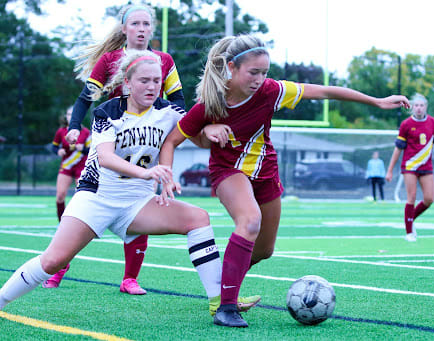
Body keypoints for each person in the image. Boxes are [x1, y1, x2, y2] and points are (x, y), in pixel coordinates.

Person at [159, 34, 410, 327]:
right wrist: (167, 173)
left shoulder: (271, 91)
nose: (260, 79)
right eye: (253, 72)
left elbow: (325, 91)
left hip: (266, 173)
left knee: (264, 250)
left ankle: (225, 285)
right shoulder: (210, 104)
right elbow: (172, 141)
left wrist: (376, 101)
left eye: (264, 72)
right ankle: (226, 307)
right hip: (228, 171)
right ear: (231, 67)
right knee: (249, 221)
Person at [0, 50, 258, 326]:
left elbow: (194, 133)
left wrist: (207, 130)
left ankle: (219, 303)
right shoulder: (108, 111)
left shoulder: (169, 111)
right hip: (97, 197)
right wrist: (149, 173)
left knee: (198, 219)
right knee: (52, 261)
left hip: (136, 203)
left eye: (157, 81)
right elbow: (107, 158)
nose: (151, 86)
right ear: (127, 83)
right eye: (144, 80)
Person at [64, 3, 185, 295]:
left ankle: (130, 278)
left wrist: (175, 131)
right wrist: (73, 126)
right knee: (85, 207)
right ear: (124, 29)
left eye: (146, 25)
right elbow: (85, 98)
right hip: (109, 141)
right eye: (136, 24)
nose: (142, 30)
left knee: (140, 206)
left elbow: (179, 102)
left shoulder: (164, 60)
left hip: (145, 144)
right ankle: (59, 264)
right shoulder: (109, 60)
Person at [385, 93, 434, 242]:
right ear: (412, 107)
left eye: (421, 105)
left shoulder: (433, 122)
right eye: (416, 105)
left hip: (426, 166)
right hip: (410, 166)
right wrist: (390, 169)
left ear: (426, 107)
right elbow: (398, 148)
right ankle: (409, 232)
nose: (419, 108)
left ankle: (410, 219)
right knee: (411, 197)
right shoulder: (406, 124)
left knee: (429, 199)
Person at [44, 107, 91, 288]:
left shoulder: (86, 132)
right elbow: (54, 147)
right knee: (60, 196)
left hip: (81, 167)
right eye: (69, 114)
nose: (72, 116)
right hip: (67, 166)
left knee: (82, 198)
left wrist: (83, 148)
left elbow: (92, 149)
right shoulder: (62, 131)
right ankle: (61, 224)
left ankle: (80, 224)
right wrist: (58, 152)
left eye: (74, 113)